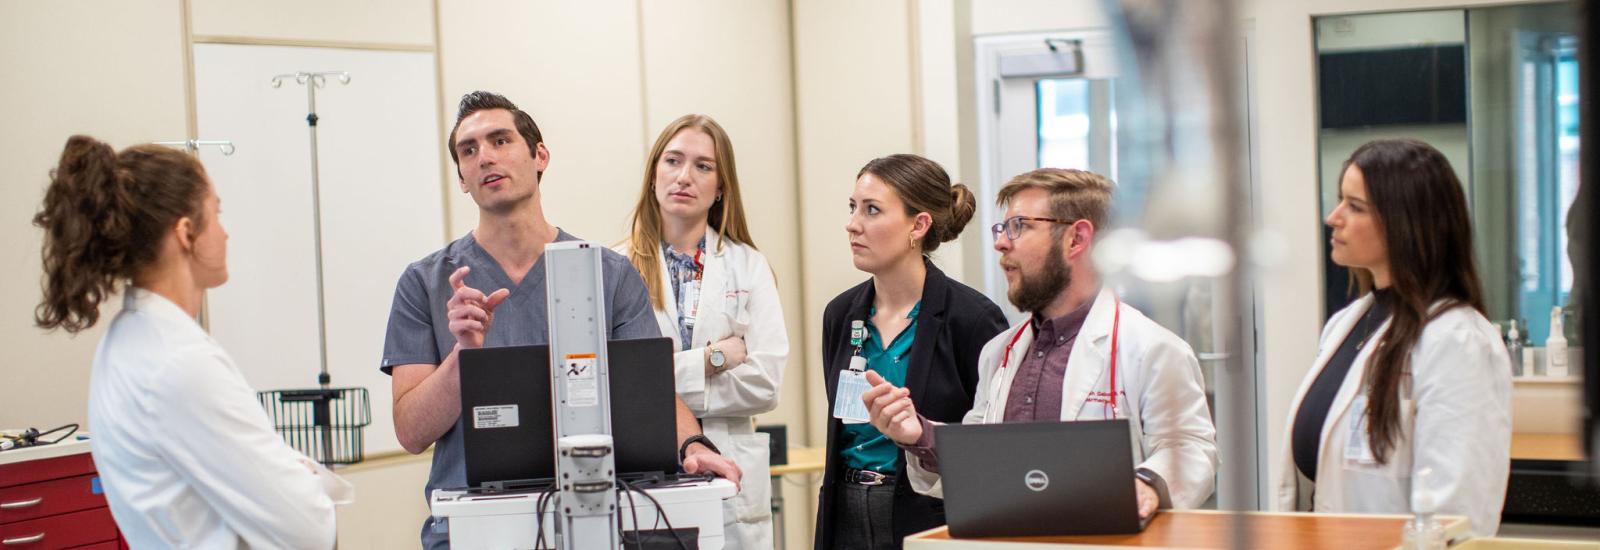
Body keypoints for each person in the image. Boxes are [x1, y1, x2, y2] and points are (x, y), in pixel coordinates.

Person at [382, 92, 741, 549]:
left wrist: (694, 447)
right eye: (468, 150)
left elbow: (650, 394)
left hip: (592, 522)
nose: (485, 157)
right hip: (472, 527)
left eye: (500, 140)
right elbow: (411, 432)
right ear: (461, 178)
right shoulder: (427, 283)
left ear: (540, 156)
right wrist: (464, 355)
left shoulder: (604, 275)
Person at [35, 136, 349, 549]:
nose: (225, 233)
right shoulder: (178, 364)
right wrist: (300, 481)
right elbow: (310, 531)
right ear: (186, 233)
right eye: (216, 214)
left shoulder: (128, 343)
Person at [864, 167, 1219, 519]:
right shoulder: (1000, 352)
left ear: (1077, 239)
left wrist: (1145, 485)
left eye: (1020, 226)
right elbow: (983, 456)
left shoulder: (1151, 348)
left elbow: (1191, 448)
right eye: (1002, 228)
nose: (1001, 242)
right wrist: (918, 433)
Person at [1277, 138, 1511, 536]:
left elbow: (1458, 512)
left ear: (1405, 223)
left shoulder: (1457, 341)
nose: (1333, 217)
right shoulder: (1348, 324)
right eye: (1340, 201)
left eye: (1355, 207)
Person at [814, 154, 1009, 550]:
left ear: (918, 225)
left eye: (872, 210)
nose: (852, 224)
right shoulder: (841, 314)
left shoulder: (972, 320)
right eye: (853, 208)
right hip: (845, 510)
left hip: (929, 514)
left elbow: (992, 447)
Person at [618, 114, 789, 548]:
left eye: (703, 166)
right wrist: (713, 360)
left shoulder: (749, 266)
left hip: (729, 466)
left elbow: (765, 385)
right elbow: (616, 388)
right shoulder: (615, 268)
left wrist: (657, 385)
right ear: (654, 172)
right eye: (673, 161)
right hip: (645, 469)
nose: (684, 177)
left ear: (721, 187)